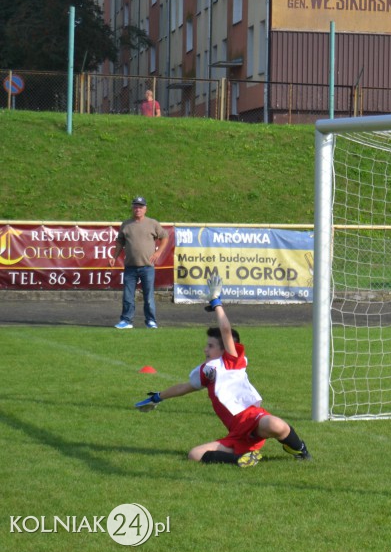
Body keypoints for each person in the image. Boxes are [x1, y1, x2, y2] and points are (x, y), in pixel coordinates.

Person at [134, 275, 312, 467]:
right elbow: (183, 388)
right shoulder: (206, 371)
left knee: (276, 425)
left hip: (253, 420)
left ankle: (299, 449)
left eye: (210, 346)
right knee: (195, 454)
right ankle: (241, 460)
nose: (205, 349)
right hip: (237, 433)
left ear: (225, 349)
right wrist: (157, 397)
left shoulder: (233, 361)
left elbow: (225, 329)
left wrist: (216, 302)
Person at [109, 196, 169, 329]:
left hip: (147, 267)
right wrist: (114, 256)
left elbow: (165, 237)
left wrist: (158, 253)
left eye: (140, 207)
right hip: (130, 267)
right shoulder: (126, 224)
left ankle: (150, 321)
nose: (138, 209)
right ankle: (126, 320)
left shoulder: (152, 223)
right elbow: (120, 242)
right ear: (132, 208)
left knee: (148, 296)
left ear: (145, 209)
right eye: (135, 207)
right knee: (128, 296)